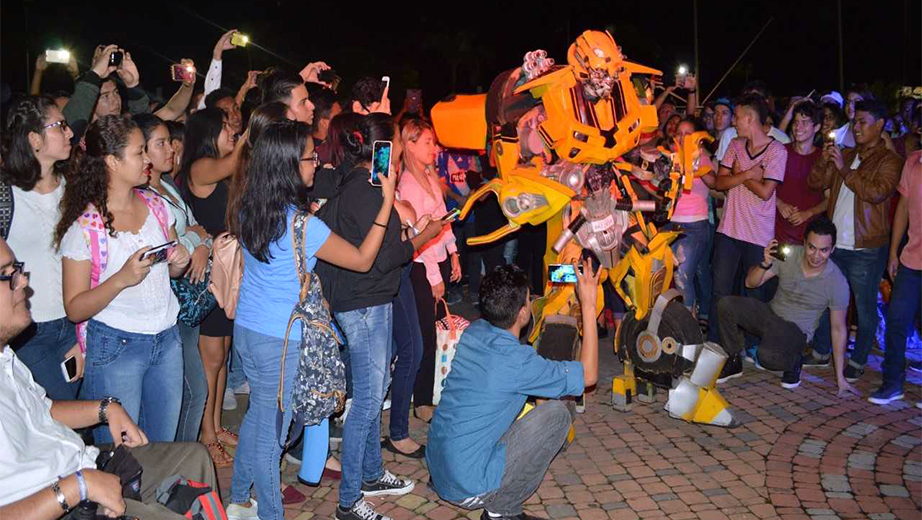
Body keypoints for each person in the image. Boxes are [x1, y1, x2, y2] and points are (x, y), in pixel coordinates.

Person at [226, 119, 401, 520]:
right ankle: (270, 513)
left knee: (258, 415)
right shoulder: (302, 225)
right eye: (309, 157)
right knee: (274, 435)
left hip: (248, 331)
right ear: (289, 166)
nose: (317, 163)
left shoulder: (250, 205)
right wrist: (386, 203)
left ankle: (239, 496)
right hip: (280, 340)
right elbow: (361, 259)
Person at [0, 236, 217, 520]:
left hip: (81, 468)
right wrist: (77, 487)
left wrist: (105, 408)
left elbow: (43, 411)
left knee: (194, 459)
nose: (23, 282)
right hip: (57, 503)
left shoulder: (7, 357)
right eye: (7, 275)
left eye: (18, 269)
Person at [314, 113, 442, 520]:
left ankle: (370, 472)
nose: (400, 149)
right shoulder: (370, 191)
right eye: (394, 143)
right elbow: (382, 258)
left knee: (371, 392)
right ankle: (349, 501)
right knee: (368, 402)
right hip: (364, 305)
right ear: (381, 147)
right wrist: (423, 236)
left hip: (362, 301)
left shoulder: (351, 181)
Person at [426, 262, 601, 520]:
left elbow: (530, 380)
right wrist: (588, 304)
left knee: (526, 404)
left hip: (441, 467)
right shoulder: (518, 362)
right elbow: (589, 376)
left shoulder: (474, 332)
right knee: (557, 415)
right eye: (530, 300)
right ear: (521, 313)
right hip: (468, 485)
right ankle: (502, 510)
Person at [56, 115, 190, 443]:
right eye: (139, 152)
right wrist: (121, 278)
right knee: (122, 456)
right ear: (112, 162)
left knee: (162, 446)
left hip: (167, 339)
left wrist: (178, 262)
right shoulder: (85, 228)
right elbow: (74, 308)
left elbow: (171, 271)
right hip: (116, 347)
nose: (148, 160)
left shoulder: (158, 206)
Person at [808, 99, 902, 382]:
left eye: (863, 122)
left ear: (880, 125)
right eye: (855, 122)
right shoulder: (846, 154)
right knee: (829, 301)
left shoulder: (890, 161)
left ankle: (859, 359)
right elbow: (814, 183)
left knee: (863, 307)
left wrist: (844, 170)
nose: (857, 128)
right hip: (837, 246)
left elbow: (876, 192)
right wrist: (826, 161)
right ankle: (822, 351)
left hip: (866, 248)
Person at [134, 113, 211, 443]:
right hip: (169, 299)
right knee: (192, 392)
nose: (171, 149)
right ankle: (177, 468)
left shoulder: (167, 186)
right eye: (161, 143)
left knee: (191, 392)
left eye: (170, 141)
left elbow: (199, 230)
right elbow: (169, 248)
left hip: (185, 295)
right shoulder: (139, 196)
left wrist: (202, 245)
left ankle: (181, 465)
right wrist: (195, 241)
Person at [175, 106, 245, 463]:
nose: (232, 132)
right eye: (224, 128)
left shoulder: (219, 171)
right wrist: (253, 131)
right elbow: (235, 160)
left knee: (222, 355)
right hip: (206, 277)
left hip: (226, 272)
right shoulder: (200, 167)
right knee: (210, 359)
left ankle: (216, 425)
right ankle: (206, 433)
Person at [716, 217, 856, 394]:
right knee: (726, 304)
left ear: (832, 250)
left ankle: (794, 361)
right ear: (804, 243)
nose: (816, 255)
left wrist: (840, 377)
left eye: (824, 250)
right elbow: (750, 283)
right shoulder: (789, 255)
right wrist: (764, 263)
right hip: (771, 316)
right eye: (812, 247)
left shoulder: (837, 282)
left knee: (766, 357)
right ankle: (734, 358)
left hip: (796, 331)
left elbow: (838, 329)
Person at [1, 96, 81, 400]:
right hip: (28, 331)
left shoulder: (73, 187)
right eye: (59, 126)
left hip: (74, 321)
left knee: (81, 415)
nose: (70, 132)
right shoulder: (6, 195)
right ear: (34, 139)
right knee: (60, 416)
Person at [707, 94, 787, 351]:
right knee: (720, 291)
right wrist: (748, 174)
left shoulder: (777, 151)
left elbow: (766, 192)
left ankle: (755, 346)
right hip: (729, 230)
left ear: (750, 118)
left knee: (754, 294)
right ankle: (717, 343)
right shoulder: (734, 145)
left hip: (758, 235)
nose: (735, 123)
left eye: (738, 117)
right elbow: (720, 183)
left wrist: (740, 175)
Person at [397, 117, 461, 423]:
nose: (434, 148)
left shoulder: (428, 176)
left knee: (429, 333)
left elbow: (442, 220)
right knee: (422, 336)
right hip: (421, 268)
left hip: (435, 263)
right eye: (427, 143)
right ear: (409, 145)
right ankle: (421, 401)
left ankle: (425, 392)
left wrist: (454, 253)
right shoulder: (409, 183)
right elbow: (419, 238)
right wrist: (436, 278)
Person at [869, 150, 921, 404]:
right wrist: (893, 251)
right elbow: (902, 208)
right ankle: (893, 384)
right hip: (911, 259)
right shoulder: (913, 161)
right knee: (897, 321)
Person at [667, 118, 716, 315]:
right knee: (670, 274)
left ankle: (690, 322)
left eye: (688, 133)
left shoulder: (702, 158)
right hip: (672, 226)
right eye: (679, 133)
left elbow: (714, 183)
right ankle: (685, 318)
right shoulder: (672, 158)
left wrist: (695, 167)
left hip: (695, 225)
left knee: (683, 275)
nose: (682, 137)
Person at [775, 101, 826, 246]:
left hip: (810, 239)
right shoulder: (780, 152)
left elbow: (830, 199)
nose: (798, 127)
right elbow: (763, 186)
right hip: (778, 235)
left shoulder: (824, 158)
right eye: (796, 122)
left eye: (804, 123)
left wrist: (808, 213)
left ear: (816, 127)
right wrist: (779, 203)